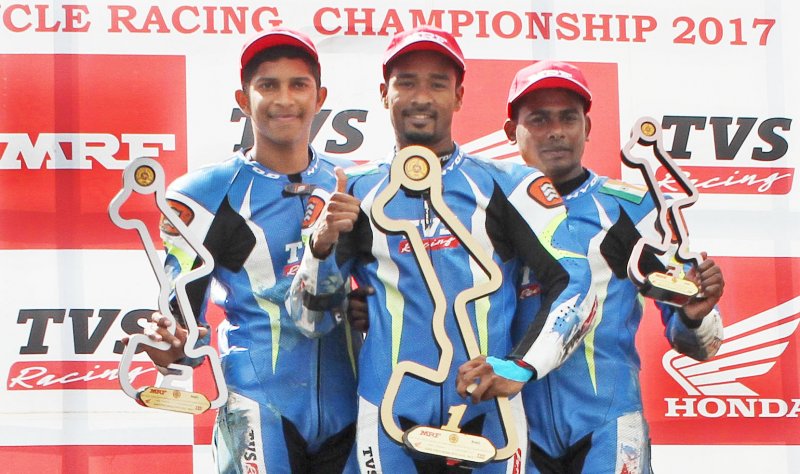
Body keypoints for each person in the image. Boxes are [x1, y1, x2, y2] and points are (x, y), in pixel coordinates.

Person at [290, 26, 596, 473]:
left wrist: (520, 366)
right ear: (383, 94)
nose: (421, 97)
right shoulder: (350, 189)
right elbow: (309, 321)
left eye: (438, 83)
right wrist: (320, 251)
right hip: (388, 415)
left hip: (491, 417)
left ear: (458, 97)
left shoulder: (511, 186)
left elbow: (577, 286)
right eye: (407, 82)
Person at [125, 27, 360, 473]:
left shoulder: (356, 184)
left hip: (352, 405)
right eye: (268, 85)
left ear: (320, 96)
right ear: (242, 98)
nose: (284, 100)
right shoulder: (203, 193)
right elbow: (181, 326)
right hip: (257, 406)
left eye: (298, 84)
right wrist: (169, 347)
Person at [502, 60, 725, 473]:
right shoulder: (490, 211)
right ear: (510, 131)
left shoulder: (633, 209)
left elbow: (701, 343)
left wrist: (696, 315)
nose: (555, 131)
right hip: (514, 428)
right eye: (539, 119)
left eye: (568, 117)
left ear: (587, 127)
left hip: (608, 424)